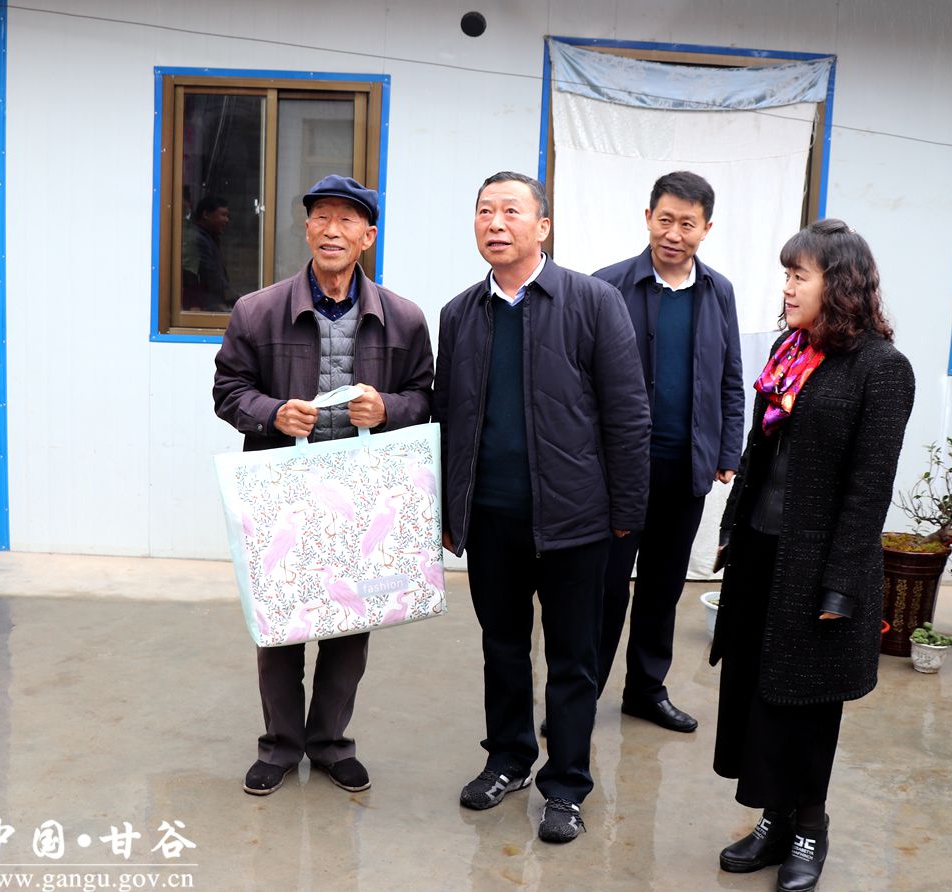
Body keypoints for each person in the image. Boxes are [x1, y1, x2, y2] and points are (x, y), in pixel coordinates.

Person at [433, 171, 651, 843]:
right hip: (490, 517)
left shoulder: (593, 302)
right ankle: (508, 759)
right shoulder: (459, 313)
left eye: (511, 211)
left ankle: (567, 786)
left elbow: (628, 415)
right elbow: (449, 419)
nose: (496, 223)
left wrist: (626, 516)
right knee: (501, 646)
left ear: (543, 226)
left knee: (572, 659)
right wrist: (450, 512)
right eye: (484, 211)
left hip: (576, 521)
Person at [710, 219, 915, 892]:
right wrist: (733, 529)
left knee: (807, 703)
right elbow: (760, 451)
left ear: (841, 284)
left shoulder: (882, 369)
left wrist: (841, 587)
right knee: (758, 693)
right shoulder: (789, 350)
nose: (788, 288)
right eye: (787, 275)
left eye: (800, 275)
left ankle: (808, 827)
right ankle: (773, 819)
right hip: (763, 550)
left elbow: (869, 488)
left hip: (818, 565)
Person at [213, 174, 434, 797]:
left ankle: (332, 743)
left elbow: (425, 395)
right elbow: (228, 391)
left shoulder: (404, 317)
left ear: (368, 236)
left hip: (362, 495)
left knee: (351, 619)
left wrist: (387, 408)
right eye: (321, 218)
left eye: (347, 220)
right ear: (306, 228)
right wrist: (271, 413)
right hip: (282, 491)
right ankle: (280, 745)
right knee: (281, 622)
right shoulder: (257, 311)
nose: (332, 230)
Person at [591, 170, 743, 733]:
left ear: (706, 229)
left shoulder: (718, 292)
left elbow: (730, 376)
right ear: (647, 218)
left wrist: (728, 449)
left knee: (662, 587)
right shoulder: (606, 287)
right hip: (617, 473)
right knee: (604, 590)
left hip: (686, 468)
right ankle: (580, 695)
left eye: (687, 223)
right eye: (665, 220)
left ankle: (645, 691)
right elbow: (579, 381)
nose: (674, 234)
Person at [183, 195, 240, 311]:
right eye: (223, 215)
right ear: (206, 215)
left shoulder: (208, 238)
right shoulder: (198, 239)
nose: (226, 220)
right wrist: (236, 299)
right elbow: (210, 276)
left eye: (227, 216)